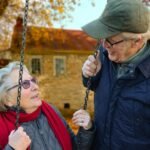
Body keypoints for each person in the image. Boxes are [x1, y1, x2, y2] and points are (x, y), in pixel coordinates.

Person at [81, 0, 150, 149]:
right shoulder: (105, 55)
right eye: (103, 38)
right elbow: (94, 85)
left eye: (110, 41)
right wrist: (89, 73)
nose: (104, 45)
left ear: (136, 42)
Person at [0, 61, 95, 150]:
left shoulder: (51, 111)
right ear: (8, 99)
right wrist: (12, 148)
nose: (35, 87)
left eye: (33, 80)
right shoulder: (2, 127)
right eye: (25, 84)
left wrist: (87, 129)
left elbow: (75, 147)